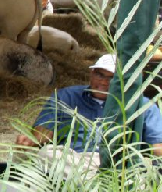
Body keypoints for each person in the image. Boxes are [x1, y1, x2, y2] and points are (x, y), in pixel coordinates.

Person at [16, 54, 162, 156]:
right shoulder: (67, 97)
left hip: (118, 166)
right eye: (99, 74)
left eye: (112, 78)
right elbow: (44, 133)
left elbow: (157, 147)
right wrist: (30, 141)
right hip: (72, 160)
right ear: (91, 73)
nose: (104, 82)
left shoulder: (143, 106)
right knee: (45, 154)